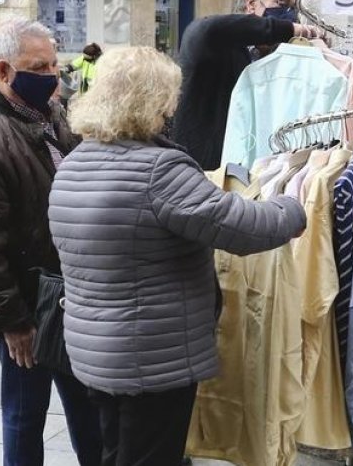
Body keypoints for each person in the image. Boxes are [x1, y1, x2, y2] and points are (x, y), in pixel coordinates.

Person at [49, 46, 308, 466]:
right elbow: (241, 226)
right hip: (150, 359)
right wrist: (295, 206)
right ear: (157, 101)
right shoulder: (158, 171)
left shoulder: (76, 161)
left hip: (93, 350)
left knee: (114, 452)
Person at [0, 19, 101, 466]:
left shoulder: (51, 117)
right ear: (4, 71)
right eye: (38, 66)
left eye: (54, 63)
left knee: (88, 411)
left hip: (68, 297)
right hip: (29, 307)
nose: (51, 74)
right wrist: (12, 321)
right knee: (25, 415)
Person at [170, 0, 323, 170]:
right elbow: (205, 29)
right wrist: (291, 29)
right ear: (251, 2)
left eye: (293, 9)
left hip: (253, 172)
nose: (289, 16)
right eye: (282, 4)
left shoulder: (281, 57)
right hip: (201, 171)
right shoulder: (213, 46)